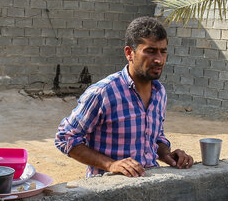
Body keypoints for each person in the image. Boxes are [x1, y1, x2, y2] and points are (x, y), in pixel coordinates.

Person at [55, 17, 194, 177]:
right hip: (110, 192)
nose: (159, 59)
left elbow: (154, 136)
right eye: (150, 51)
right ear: (129, 53)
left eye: (163, 51)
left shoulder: (159, 92)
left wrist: (166, 154)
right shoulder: (103, 93)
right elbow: (65, 138)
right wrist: (111, 164)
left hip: (152, 187)